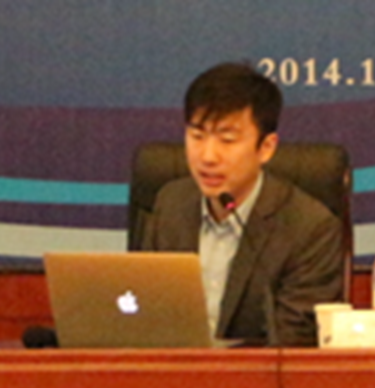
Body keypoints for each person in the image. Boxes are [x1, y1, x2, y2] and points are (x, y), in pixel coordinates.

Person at [142, 62, 343, 347]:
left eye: (227, 140)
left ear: (266, 148)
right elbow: (145, 311)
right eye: (197, 136)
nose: (208, 156)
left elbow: (292, 341)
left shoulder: (310, 228)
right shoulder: (170, 205)